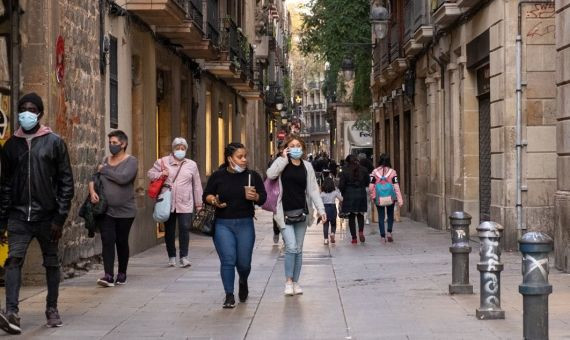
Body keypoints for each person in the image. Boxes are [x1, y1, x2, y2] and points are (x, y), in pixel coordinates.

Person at [0, 93, 74, 332]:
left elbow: (66, 183)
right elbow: (5, 186)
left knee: (51, 263)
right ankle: (11, 311)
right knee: (13, 261)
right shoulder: (11, 145)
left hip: (48, 217)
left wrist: (59, 218)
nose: (26, 113)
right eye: (22, 108)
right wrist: (2, 221)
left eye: (31, 109)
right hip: (18, 216)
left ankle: (52, 308)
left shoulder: (54, 142)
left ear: (40, 113)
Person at [203, 142, 267, 309]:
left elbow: (263, 197)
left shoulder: (252, 176)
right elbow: (206, 195)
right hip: (223, 224)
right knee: (228, 259)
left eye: (245, 156)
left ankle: (243, 280)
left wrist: (255, 197)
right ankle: (229, 294)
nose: (244, 160)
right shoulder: (218, 176)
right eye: (240, 157)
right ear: (229, 158)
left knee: (244, 263)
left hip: (245, 223)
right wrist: (214, 200)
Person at [267, 135, 326, 296]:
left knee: (298, 249)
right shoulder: (281, 164)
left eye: (298, 145)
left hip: (301, 212)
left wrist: (321, 210)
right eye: (292, 145)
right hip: (283, 213)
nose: (295, 148)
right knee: (291, 247)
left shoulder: (307, 166)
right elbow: (270, 174)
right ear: (286, 148)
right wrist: (283, 159)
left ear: (303, 148)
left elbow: (313, 190)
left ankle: (296, 282)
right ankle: (288, 281)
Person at [90, 130, 138, 287]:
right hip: (106, 210)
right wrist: (92, 192)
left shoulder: (131, 161)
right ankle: (108, 275)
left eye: (114, 143)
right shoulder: (105, 160)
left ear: (123, 144)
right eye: (110, 143)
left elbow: (124, 178)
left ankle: (122, 272)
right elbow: (94, 178)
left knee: (121, 241)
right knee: (107, 240)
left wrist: (104, 170)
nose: (111, 146)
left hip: (126, 211)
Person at [148, 137, 203, 267]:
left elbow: (197, 185)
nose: (180, 150)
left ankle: (184, 257)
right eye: (177, 148)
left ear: (186, 150)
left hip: (185, 201)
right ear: (173, 149)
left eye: (183, 148)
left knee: (185, 228)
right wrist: (161, 173)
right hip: (168, 202)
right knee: (170, 230)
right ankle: (171, 256)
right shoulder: (162, 162)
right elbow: (150, 174)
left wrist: (199, 204)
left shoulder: (191, 165)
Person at [369, 154, 403, 243]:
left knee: (381, 216)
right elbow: (396, 186)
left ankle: (382, 236)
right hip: (390, 197)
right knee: (390, 214)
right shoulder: (393, 172)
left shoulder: (374, 172)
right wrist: (400, 200)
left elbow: (371, 187)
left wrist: (372, 196)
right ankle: (389, 232)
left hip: (379, 197)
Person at [339, 155, 369, 244]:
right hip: (361, 194)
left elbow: (341, 185)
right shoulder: (364, 169)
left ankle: (354, 238)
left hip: (349, 194)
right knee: (360, 214)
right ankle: (360, 231)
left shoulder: (345, 170)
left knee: (351, 216)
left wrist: (343, 194)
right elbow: (367, 182)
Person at [268, 144, 285, 244]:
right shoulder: (274, 161)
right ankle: (276, 231)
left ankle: (285, 235)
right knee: (277, 214)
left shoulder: (292, 160)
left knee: (287, 215)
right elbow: (271, 175)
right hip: (277, 191)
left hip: (288, 193)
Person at [320, 177, 342, 245]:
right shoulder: (335, 192)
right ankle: (332, 233)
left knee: (325, 224)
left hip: (325, 208)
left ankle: (326, 240)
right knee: (333, 223)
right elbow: (341, 199)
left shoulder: (322, 193)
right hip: (332, 208)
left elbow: (319, 202)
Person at [358, 153, 374, 225]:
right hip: (369, 187)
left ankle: (362, 217)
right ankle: (367, 218)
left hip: (361, 187)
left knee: (360, 203)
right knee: (368, 203)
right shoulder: (370, 165)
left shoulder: (358, 166)